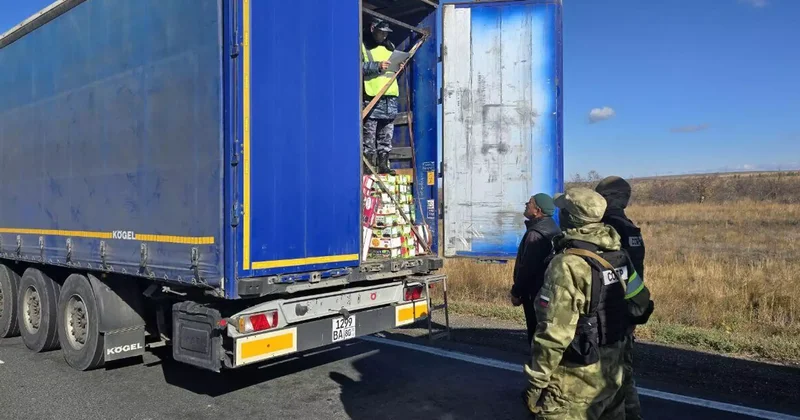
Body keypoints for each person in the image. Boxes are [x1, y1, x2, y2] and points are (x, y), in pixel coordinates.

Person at [522, 187, 653, 419]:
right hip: (613, 375)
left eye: (563, 211)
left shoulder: (567, 264)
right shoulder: (619, 255)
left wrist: (536, 384)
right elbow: (641, 305)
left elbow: (553, 336)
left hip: (575, 381)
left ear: (569, 219)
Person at [595, 176, 647, 420]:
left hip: (610, 306)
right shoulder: (629, 226)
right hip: (628, 304)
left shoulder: (610, 227)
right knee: (623, 369)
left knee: (611, 372)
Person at [510, 193, 561, 347]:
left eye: (530, 203)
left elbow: (526, 268)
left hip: (534, 292)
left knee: (535, 329)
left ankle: (537, 363)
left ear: (537, 210)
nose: (526, 204)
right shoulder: (553, 228)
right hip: (548, 290)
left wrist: (516, 292)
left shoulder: (535, 234)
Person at [361, 19, 399, 175]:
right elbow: (357, 67)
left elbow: (392, 68)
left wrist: (399, 65)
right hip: (373, 96)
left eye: (385, 33)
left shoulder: (390, 47)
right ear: (372, 29)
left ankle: (383, 166)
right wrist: (377, 66)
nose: (383, 36)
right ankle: (368, 168)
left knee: (386, 135)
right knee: (369, 136)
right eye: (381, 32)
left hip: (390, 96)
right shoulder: (363, 46)